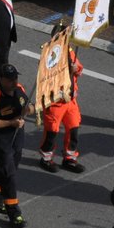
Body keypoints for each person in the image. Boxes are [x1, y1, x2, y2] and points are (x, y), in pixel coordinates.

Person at [0, 63, 31, 228]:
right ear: (1, 79)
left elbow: (28, 106)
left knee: (9, 169)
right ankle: (13, 211)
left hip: (18, 136)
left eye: (15, 77)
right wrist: (11, 122)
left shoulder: (19, 89)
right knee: (9, 173)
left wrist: (29, 110)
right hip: (2, 139)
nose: (14, 81)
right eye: (10, 79)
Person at [37, 28, 85, 173]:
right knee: (52, 132)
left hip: (70, 100)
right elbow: (46, 75)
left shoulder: (69, 51)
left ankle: (69, 158)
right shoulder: (49, 54)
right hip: (55, 101)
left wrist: (75, 68)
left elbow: (79, 69)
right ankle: (46, 158)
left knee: (73, 128)